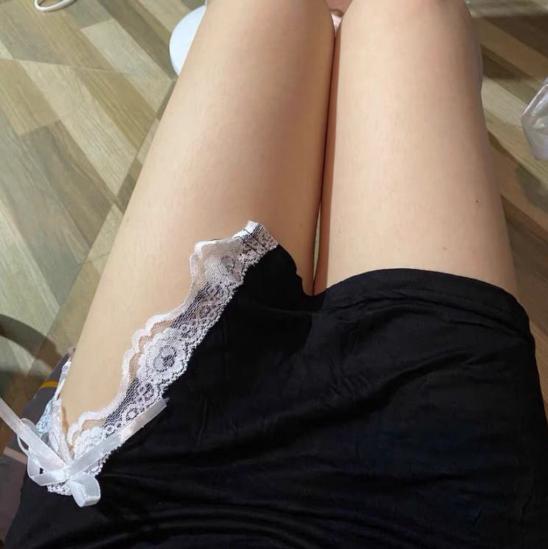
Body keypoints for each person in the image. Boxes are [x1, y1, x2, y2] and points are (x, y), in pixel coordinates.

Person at [3, 0, 548, 546]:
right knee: (409, 11)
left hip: (122, 498)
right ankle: (338, 54)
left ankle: (333, 53)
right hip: (441, 498)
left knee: (267, 8)